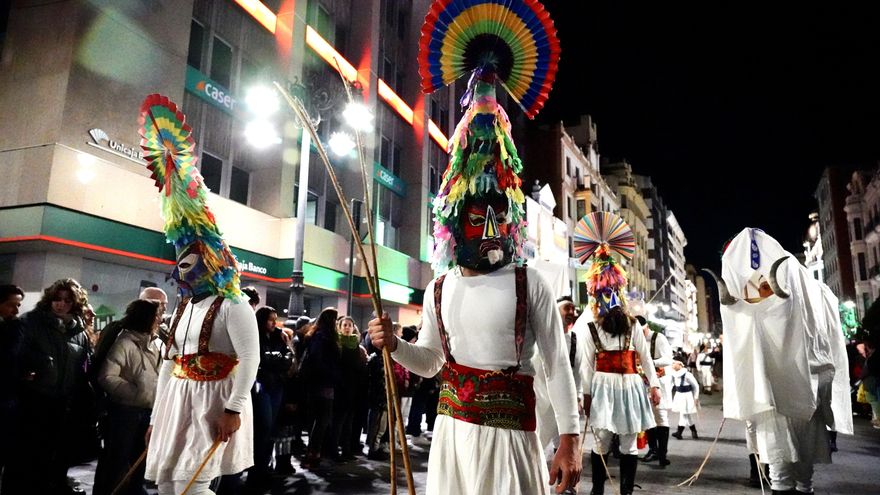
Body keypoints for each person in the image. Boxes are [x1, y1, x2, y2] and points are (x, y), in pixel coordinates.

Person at [369, 62, 580, 495]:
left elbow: (558, 364)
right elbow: (430, 362)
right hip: (451, 436)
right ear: (452, 220)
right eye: (476, 217)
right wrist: (394, 346)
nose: (490, 231)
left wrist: (570, 440)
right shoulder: (439, 287)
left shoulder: (530, 283)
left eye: (498, 217)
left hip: (512, 439)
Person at [139, 93, 259, 495]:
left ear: (210, 260)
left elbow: (250, 358)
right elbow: (170, 362)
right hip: (178, 401)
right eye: (178, 263)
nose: (181, 272)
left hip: (213, 403)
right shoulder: (185, 305)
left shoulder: (235, 304)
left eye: (189, 262)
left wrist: (234, 408)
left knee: (192, 486)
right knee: (171, 485)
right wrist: (157, 418)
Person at [713, 228, 852, 495]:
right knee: (786, 473)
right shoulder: (801, 288)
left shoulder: (804, 287)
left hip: (802, 391)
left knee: (795, 473)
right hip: (777, 396)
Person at [573, 233, 661, 495]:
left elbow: (645, 357)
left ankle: (626, 491)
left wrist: (654, 386)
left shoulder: (633, 325)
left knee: (629, 443)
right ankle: (597, 489)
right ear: (596, 297)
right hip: (602, 387)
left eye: (614, 293)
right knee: (600, 441)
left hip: (631, 387)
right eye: (604, 293)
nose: (609, 299)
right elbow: (586, 366)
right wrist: (585, 395)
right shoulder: (590, 328)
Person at [3, 278, 91, 494]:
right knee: (24, 459)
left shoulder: (79, 332)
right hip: (33, 401)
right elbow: (13, 357)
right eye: (57, 299)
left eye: (67, 301)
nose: (60, 304)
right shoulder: (31, 322)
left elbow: (82, 367)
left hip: (62, 404)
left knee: (51, 459)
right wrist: (28, 371)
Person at [93, 299, 162, 495]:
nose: (159, 319)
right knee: (116, 462)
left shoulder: (155, 343)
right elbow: (107, 377)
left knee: (139, 465)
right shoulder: (124, 342)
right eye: (156, 315)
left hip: (148, 412)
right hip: (125, 413)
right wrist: (136, 393)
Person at [245, 306, 294, 491]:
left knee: (270, 430)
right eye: (270, 319)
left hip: (276, 386)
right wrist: (278, 359)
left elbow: (288, 358)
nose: (274, 323)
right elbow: (262, 360)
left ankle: (263, 470)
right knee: (262, 430)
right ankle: (255, 473)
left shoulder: (277, 336)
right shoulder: (254, 336)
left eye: (276, 319)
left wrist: (278, 357)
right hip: (262, 386)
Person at [300, 308, 341, 469]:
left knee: (320, 419)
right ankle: (313, 453)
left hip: (319, 382)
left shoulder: (317, 335)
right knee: (322, 418)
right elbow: (320, 360)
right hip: (323, 383)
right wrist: (332, 375)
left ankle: (314, 452)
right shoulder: (323, 337)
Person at [636, 313, 673, 467]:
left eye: (642, 332)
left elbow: (668, 359)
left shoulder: (659, 338)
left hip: (660, 383)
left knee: (661, 417)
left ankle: (663, 454)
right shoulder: (634, 340)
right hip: (643, 384)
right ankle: (653, 450)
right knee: (648, 418)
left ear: (647, 328)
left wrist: (649, 362)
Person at [0, 285, 25, 479]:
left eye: (18, 305)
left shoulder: (15, 328)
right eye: (11, 305)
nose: (16, 311)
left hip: (8, 397)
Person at [669, 360, 700, 440]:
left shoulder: (687, 374)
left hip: (687, 396)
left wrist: (696, 397)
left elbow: (696, 386)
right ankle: (694, 431)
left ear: (680, 364)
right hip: (679, 395)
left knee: (683, 414)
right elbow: (671, 385)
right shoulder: (673, 374)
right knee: (686, 414)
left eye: (674, 363)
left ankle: (679, 432)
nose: (672, 365)